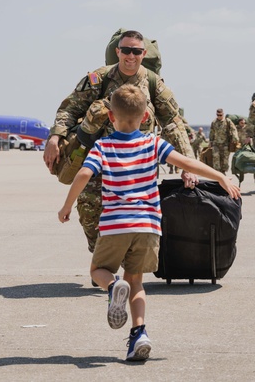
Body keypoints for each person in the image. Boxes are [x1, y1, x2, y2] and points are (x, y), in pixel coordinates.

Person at [58, 84, 241, 361]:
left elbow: (84, 173)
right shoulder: (153, 143)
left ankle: (112, 287)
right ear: (146, 117)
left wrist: (67, 205)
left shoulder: (104, 145)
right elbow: (187, 163)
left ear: (111, 117)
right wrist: (220, 177)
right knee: (136, 283)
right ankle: (139, 333)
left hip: (115, 224)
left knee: (99, 270)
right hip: (148, 226)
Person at [43, 30, 196, 254]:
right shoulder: (99, 78)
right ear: (118, 52)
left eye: (136, 51)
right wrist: (54, 137)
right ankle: (102, 260)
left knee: (135, 222)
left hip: (137, 167)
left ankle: (124, 269)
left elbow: (173, 122)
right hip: (100, 161)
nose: (130, 56)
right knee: (89, 210)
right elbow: (70, 108)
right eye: (126, 50)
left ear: (143, 53)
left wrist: (187, 165)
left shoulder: (154, 84)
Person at [208, 109, 239, 175]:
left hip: (225, 144)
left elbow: (233, 129)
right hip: (216, 143)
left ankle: (223, 171)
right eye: (217, 115)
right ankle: (217, 172)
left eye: (220, 115)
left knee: (225, 159)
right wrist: (210, 142)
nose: (219, 116)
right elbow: (212, 132)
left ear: (223, 114)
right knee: (216, 157)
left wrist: (235, 138)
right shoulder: (214, 122)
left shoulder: (227, 121)